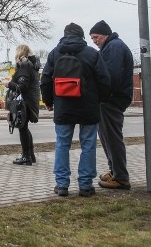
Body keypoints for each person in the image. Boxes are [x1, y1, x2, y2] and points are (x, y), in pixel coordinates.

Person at [40, 23, 111, 197]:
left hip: (63, 107)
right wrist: (100, 99)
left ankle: (62, 185)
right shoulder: (92, 54)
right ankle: (86, 186)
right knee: (88, 145)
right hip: (88, 107)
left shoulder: (55, 54)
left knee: (62, 144)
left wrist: (48, 101)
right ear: (82, 37)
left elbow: (45, 80)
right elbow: (104, 79)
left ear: (64, 35)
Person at [89, 20, 134, 190]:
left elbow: (111, 76)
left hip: (112, 99)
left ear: (105, 34)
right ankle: (114, 171)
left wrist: (102, 95)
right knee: (107, 137)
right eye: (92, 38)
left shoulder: (114, 47)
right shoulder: (111, 46)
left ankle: (121, 177)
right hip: (111, 98)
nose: (94, 40)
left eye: (96, 37)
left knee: (112, 138)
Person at [5, 44, 41, 165]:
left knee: (22, 128)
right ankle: (30, 155)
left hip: (24, 101)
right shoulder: (33, 66)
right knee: (24, 128)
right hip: (32, 100)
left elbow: (22, 86)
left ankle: (26, 156)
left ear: (19, 53)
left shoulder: (24, 66)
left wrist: (9, 84)